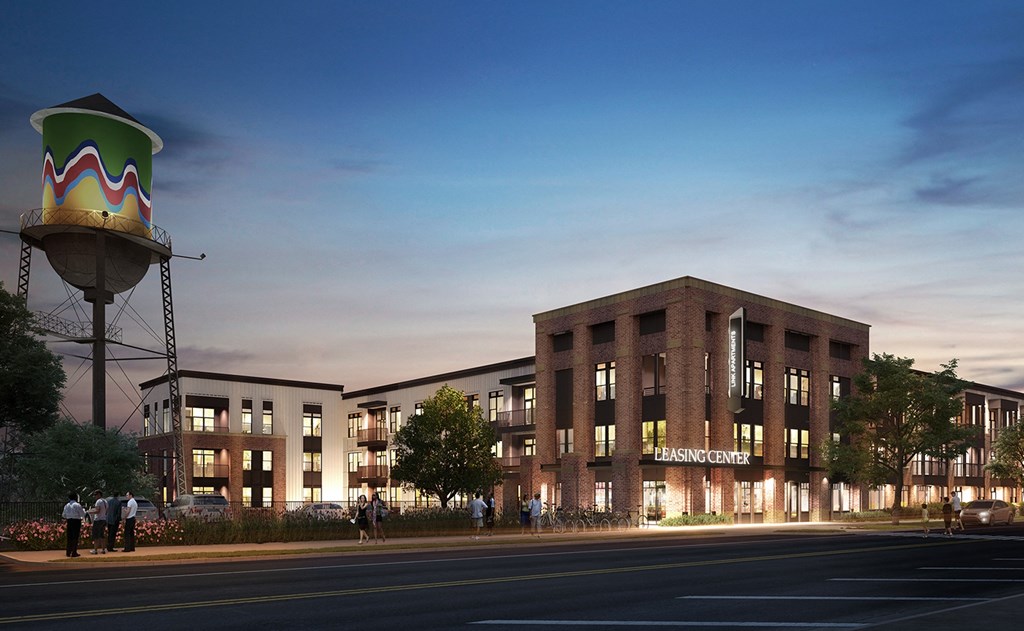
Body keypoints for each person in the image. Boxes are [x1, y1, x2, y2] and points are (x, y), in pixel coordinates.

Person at [62, 492, 87, 557]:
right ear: (76, 497)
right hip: (76, 521)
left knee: (69, 536)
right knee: (75, 537)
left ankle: (68, 552)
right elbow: (82, 514)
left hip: (69, 521)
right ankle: (74, 552)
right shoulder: (77, 505)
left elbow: (63, 515)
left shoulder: (66, 505)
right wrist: (84, 510)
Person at [87, 490, 108, 554]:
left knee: (96, 535)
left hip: (98, 520)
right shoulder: (105, 501)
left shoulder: (98, 502)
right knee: (102, 535)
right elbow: (106, 510)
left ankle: (95, 550)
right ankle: (103, 549)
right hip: (103, 519)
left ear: (99, 495)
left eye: (96, 495)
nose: (95, 496)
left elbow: (97, 510)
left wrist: (89, 512)